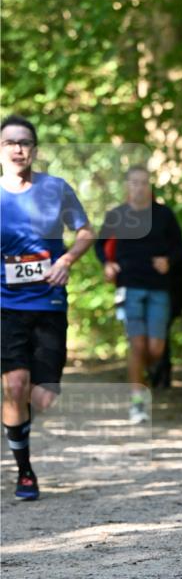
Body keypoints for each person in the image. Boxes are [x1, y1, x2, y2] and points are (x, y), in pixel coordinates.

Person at [1, 114, 94, 500]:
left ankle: (16, 418)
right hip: (5, 304)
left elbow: (85, 231)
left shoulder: (56, 189)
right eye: (10, 142)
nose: (18, 148)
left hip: (50, 303)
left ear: (34, 149)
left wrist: (67, 260)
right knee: (16, 385)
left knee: (43, 396)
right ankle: (25, 472)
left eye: (25, 142)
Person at [95, 165, 182, 422]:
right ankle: (138, 402)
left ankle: (141, 376)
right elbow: (100, 245)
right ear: (127, 186)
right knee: (137, 345)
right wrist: (107, 264)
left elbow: (180, 248)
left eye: (144, 182)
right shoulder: (117, 215)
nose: (139, 187)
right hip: (129, 287)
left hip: (159, 288)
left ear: (150, 186)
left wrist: (168, 260)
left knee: (155, 350)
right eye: (134, 182)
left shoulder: (164, 215)